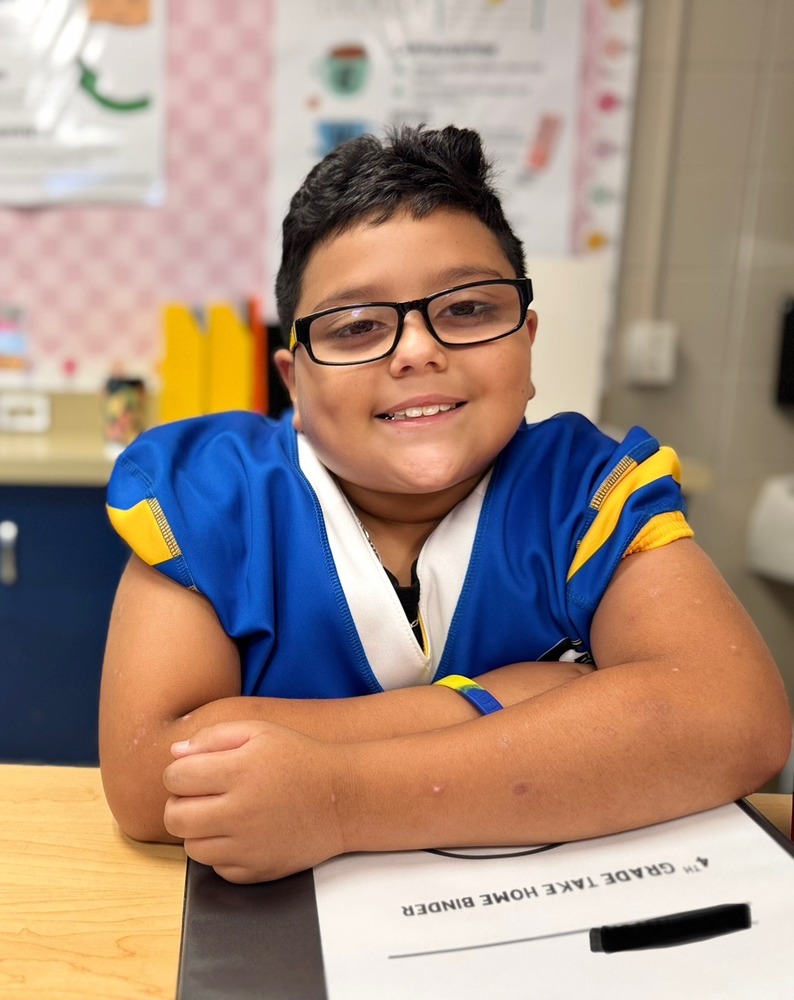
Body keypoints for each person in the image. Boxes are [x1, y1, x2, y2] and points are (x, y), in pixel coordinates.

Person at [99, 125, 791, 885]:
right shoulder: (215, 497)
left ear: (526, 341)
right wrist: (499, 701)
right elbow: (145, 778)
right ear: (295, 382)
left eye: (466, 310)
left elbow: (733, 719)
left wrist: (340, 797)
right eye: (358, 326)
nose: (417, 350)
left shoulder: (585, 491)